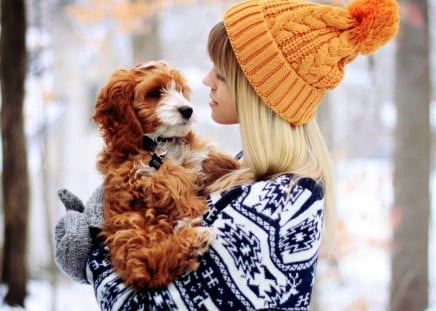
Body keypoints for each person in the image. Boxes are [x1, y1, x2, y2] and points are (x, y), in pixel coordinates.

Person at [54, 0, 399, 309]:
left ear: (258, 89)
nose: (206, 81)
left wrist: (96, 249)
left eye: (220, 71)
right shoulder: (246, 175)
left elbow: (138, 307)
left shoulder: (270, 212)